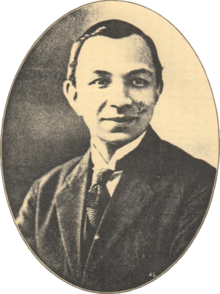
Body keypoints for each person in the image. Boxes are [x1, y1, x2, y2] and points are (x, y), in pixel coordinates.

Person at [16, 20, 216, 292]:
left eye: (138, 81)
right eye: (101, 81)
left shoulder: (200, 187)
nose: (121, 100)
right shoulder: (44, 193)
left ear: (157, 89)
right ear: (73, 95)